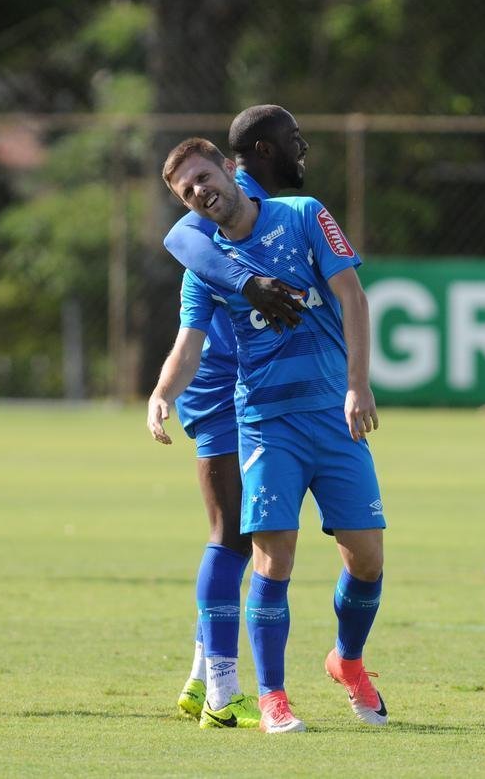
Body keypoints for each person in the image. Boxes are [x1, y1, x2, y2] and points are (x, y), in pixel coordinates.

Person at [155, 137, 387, 734]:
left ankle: (348, 660)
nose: (201, 191)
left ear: (231, 168)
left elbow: (352, 295)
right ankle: (271, 698)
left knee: (366, 558)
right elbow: (188, 345)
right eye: (188, 190)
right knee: (272, 557)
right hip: (264, 421)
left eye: (205, 176)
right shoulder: (205, 268)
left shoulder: (305, 215)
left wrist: (357, 384)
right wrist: (162, 393)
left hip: (333, 414)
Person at [151, 105, 309, 730]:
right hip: (221, 389)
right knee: (232, 536)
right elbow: (178, 239)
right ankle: (222, 688)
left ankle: (199, 675)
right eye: (295, 142)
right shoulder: (221, 206)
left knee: (247, 538)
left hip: (258, 391)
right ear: (261, 153)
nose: (304, 150)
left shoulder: (282, 213)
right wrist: (247, 288)